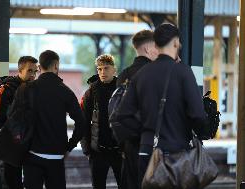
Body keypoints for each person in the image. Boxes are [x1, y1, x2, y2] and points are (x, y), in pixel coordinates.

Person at [116, 23, 207, 187]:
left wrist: (146, 130)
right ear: (175, 43)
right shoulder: (183, 72)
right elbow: (198, 115)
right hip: (176, 153)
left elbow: (122, 115)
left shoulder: (142, 74)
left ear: (156, 44)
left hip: (146, 151)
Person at [22, 50, 86, 189]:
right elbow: (82, 123)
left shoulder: (28, 89)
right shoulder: (65, 92)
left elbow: (16, 119)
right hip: (56, 157)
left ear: (39, 68)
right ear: (56, 66)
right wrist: (70, 146)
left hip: (32, 155)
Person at [115, 29, 158, 189]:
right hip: (153, 144)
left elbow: (115, 111)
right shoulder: (156, 72)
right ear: (147, 48)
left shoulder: (124, 75)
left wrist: (123, 144)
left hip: (129, 145)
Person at [0, 56, 38, 189]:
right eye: (30, 71)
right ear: (20, 70)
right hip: (8, 146)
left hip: (26, 146)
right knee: (11, 184)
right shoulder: (6, 90)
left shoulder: (33, 90)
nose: (33, 75)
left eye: (35, 71)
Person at [80, 54, 122, 189]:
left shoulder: (122, 89)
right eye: (99, 69)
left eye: (106, 68)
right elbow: (83, 122)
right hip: (98, 151)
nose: (102, 72)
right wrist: (87, 150)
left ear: (114, 70)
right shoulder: (91, 92)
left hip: (119, 150)